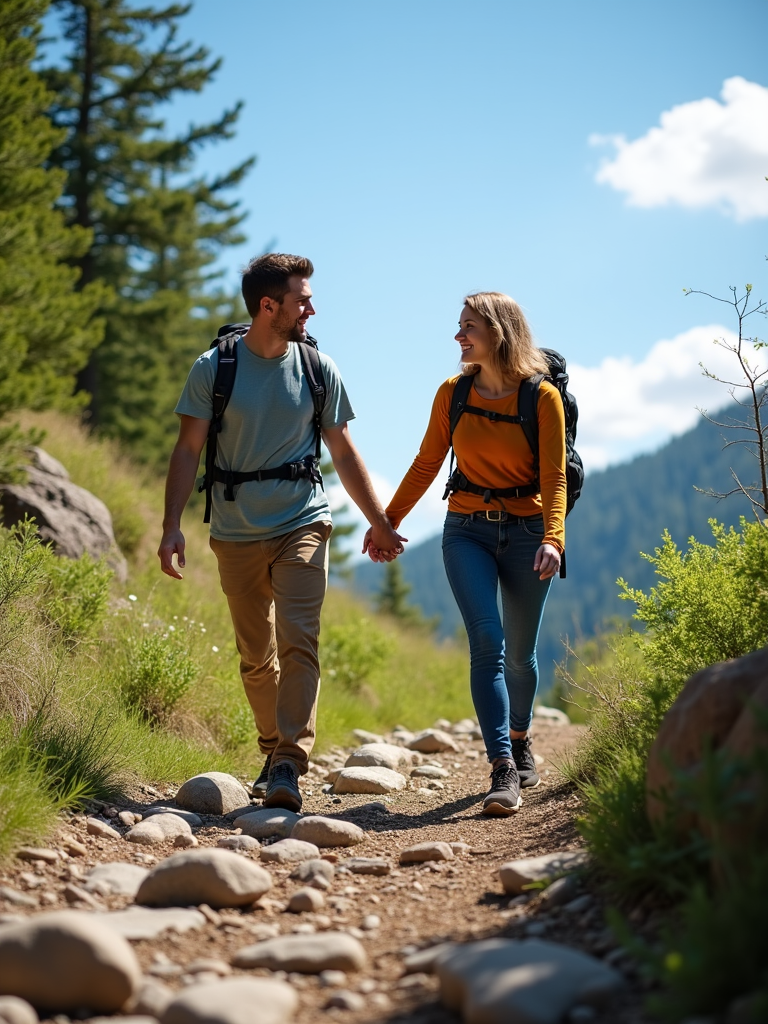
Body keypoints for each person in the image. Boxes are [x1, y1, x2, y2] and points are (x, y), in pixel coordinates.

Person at [158, 253, 405, 813]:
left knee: (300, 640)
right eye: (302, 299)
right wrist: (171, 526)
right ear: (269, 306)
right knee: (254, 655)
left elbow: (342, 450)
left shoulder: (319, 369)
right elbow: (188, 448)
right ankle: (272, 752)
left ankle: (290, 761)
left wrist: (379, 521)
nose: (311, 309)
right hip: (235, 527)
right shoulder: (213, 369)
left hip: (303, 520)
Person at [364, 291, 565, 816]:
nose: (458, 336)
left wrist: (553, 538)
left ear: (499, 332)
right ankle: (502, 766)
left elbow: (554, 475)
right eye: (459, 327)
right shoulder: (452, 393)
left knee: (521, 654)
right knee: (488, 641)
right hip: (467, 529)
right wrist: (387, 521)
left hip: (527, 532)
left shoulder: (541, 398)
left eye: (468, 327)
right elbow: (427, 461)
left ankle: (520, 740)